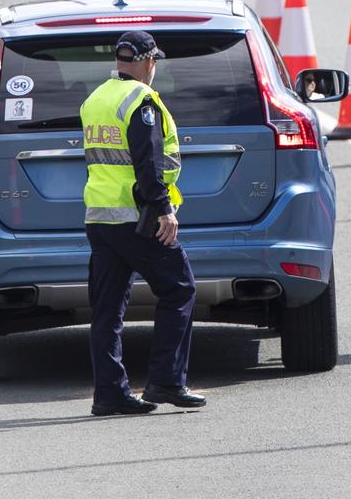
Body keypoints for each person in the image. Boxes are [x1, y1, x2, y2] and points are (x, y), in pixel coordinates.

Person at [79, 30, 205, 416]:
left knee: (108, 309)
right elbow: (147, 162)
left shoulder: (96, 98)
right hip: (138, 217)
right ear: (150, 61)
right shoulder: (142, 101)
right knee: (179, 289)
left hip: (100, 218)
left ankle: (109, 393)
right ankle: (166, 382)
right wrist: (164, 208)